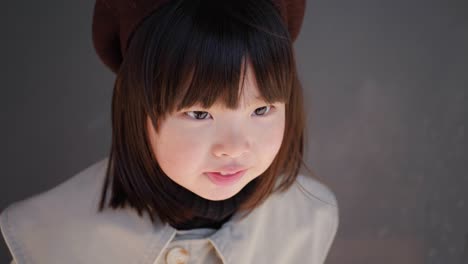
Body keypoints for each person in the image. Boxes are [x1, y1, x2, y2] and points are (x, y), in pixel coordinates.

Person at [0, 0, 339, 263]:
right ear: (138, 108)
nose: (234, 147)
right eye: (199, 113)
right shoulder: (52, 240)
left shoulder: (308, 221)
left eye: (261, 109)